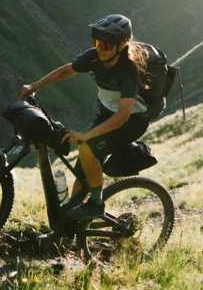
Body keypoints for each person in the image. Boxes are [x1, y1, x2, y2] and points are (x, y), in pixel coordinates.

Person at [18, 14, 151, 221]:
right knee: (83, 173)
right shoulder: (94, 56)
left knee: (87, 147)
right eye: (98, 42)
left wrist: (86, 135)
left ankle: (96, 204)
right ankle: (71, 221)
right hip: (107, 113)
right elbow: (66, 71)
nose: (100, 48)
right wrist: (33, 87)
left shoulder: (128, 70)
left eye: (107, 45)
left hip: (132, 121)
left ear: (122, 44)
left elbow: (123, 114)